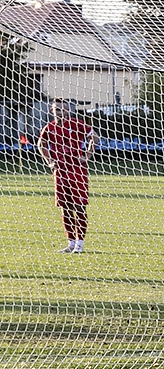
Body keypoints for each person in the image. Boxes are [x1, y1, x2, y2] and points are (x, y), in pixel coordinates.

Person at [37, 98, 100, 253]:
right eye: (57, 109)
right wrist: (50, 161)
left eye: (64, 109)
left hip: (77, 171)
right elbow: (40, 144)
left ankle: (79, 244)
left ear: (68, 110)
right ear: (52, 111)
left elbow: (95, 138)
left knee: (79, 207)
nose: (61, 112)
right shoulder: (49, 128)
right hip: (60, 172)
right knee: (65, 208)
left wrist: (86, 156)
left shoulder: (77, 124)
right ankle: (71, 243)